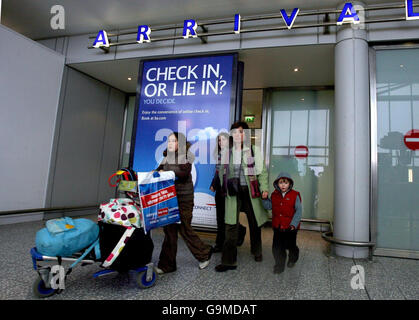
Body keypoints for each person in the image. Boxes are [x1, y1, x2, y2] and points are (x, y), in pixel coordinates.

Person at [214, 121, 269, 272]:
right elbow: (221, 172)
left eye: (241, 131)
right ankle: (228, 261)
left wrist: (264, 188)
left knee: (254, 223)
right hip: (233, 192)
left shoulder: (252, 150)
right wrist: (224, 187)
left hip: (251, 192)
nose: (238, 134)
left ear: (245, 134)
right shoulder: (227, 151)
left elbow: (262, 171)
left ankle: (257, 251)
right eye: (235, 132)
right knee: (230, 225)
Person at [155, 132, 213, 274]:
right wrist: (154, 173)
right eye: (168, 141)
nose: (170, 143)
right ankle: (167, 265)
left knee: (185, 228)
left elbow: (184, 174)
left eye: (173, 141)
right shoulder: (166, 156)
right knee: (169, 230)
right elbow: (158, 170)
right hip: (170, 197)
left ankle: (204, 253)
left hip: (184, 198)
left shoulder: (186, 156)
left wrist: (166, 173)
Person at [210, 132, 246, 253]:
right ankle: (219, 243)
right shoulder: (220, 154)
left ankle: (239, 231)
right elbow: (217, 171)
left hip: (229, 190)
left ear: (229, 141)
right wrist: (213, 184)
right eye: (219, 141)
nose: (221, 143)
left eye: (223, 140)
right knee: (220, 217)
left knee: (229, 217)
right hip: (220, 189)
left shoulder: (234, 153)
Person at [262, 172, 302, 274]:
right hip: (278, 226)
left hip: (290, 227)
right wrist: (264, 199)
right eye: (281, 183)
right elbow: (268, 206)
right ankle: (279, 265)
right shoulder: (274, 195)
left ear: (290, 184)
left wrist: (294, 224)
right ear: (277, 184)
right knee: (277, 247)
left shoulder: (295, 195)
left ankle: (293, 258)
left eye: (286, 183)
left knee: (290, 245)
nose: (283, 185)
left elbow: (299, 211)